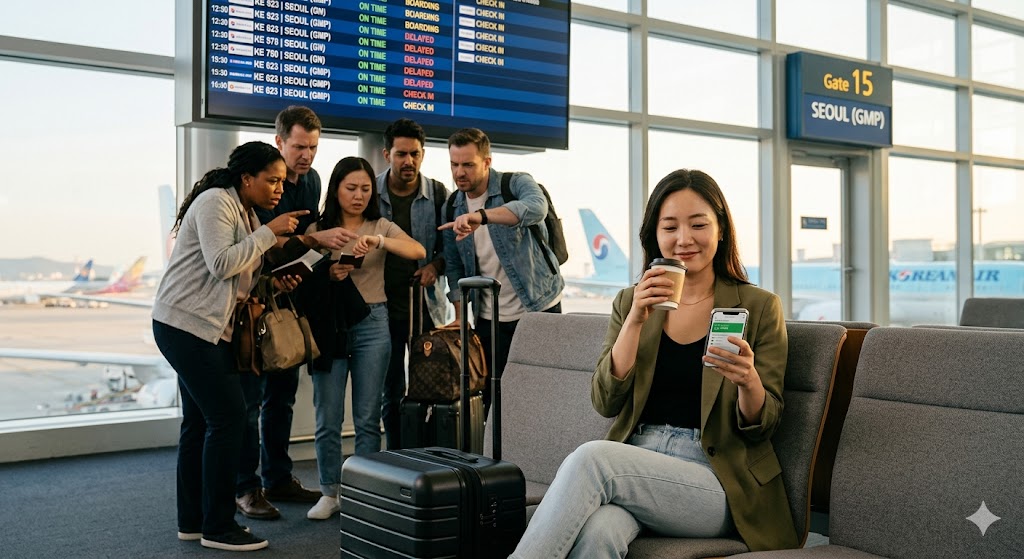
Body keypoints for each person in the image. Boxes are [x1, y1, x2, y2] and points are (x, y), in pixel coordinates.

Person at [508, 170, 797, 558]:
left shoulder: (759, 307)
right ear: (654, 236)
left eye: (698, 225)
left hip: (718, 479)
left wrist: (748, 382)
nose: (684, 239)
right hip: (639, 461)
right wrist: (636, 320)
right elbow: (605, 402)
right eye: (670, 227)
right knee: (598, 533)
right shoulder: (631, 302)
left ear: (721, 230)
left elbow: (766, 424)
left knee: (593, 458)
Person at [152, 141, 308, 551]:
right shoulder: (216, 202)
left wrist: (276, 281)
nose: (279, 187)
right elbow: (221, 262)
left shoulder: (246, 212)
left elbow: (234, 281)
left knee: (200, 423)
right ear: (247, 178)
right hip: (185, 326)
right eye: (272, 180)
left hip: (201, 328)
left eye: (280, 181)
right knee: (229, 419)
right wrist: (268, 235)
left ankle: (194, 521)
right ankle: (219, 526)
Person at [235, 106, 354, 520]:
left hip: (286, 297)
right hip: (249, 301)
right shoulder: (257, 184)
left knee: (282, 396)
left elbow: (297, 243)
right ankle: (246, 488)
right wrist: (311, 238)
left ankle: (277, 477)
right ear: (279, 142)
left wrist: (313, 255)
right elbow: (257, 241)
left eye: (313, 147)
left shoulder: (313, 182)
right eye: (299, 146)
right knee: (249, 403)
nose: (306, 155)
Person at [303, 156, 426, 520]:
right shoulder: (320, 228)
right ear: (336, 189)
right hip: (330, 323)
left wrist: (380, 242)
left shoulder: (380, 225)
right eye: (350, 188)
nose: (358, 196)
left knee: (368, 416)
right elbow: (301, 278)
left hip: (374, 320)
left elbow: (418, 251)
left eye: (365, 189)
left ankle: (363, 492)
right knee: (327, 415)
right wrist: (329, 273)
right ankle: (329, 491)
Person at [439, 128, 564, 414]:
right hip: (488, 315)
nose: (460, 172)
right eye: (454, 164)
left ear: (487, 162)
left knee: (542, 393)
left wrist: (481, 217)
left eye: (468, 164)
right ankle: (500, 456)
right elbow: (455, 267)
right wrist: (460, 317)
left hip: (538, 306)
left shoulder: (515, 183)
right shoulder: (451, 207)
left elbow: (535, 208)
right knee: (495, 398)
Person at [376, 118, 451, 450]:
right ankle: (395, 454)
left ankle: (424, 454)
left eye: (415, 154)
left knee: (428, 385)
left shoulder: (437, 194)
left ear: (423, 154)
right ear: (387, 154)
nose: (408, 161)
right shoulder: (371, 193)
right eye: (401, 154)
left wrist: (435, 264)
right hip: (380, 306)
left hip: (426, 308)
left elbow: (453, 246)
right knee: (389, 388)